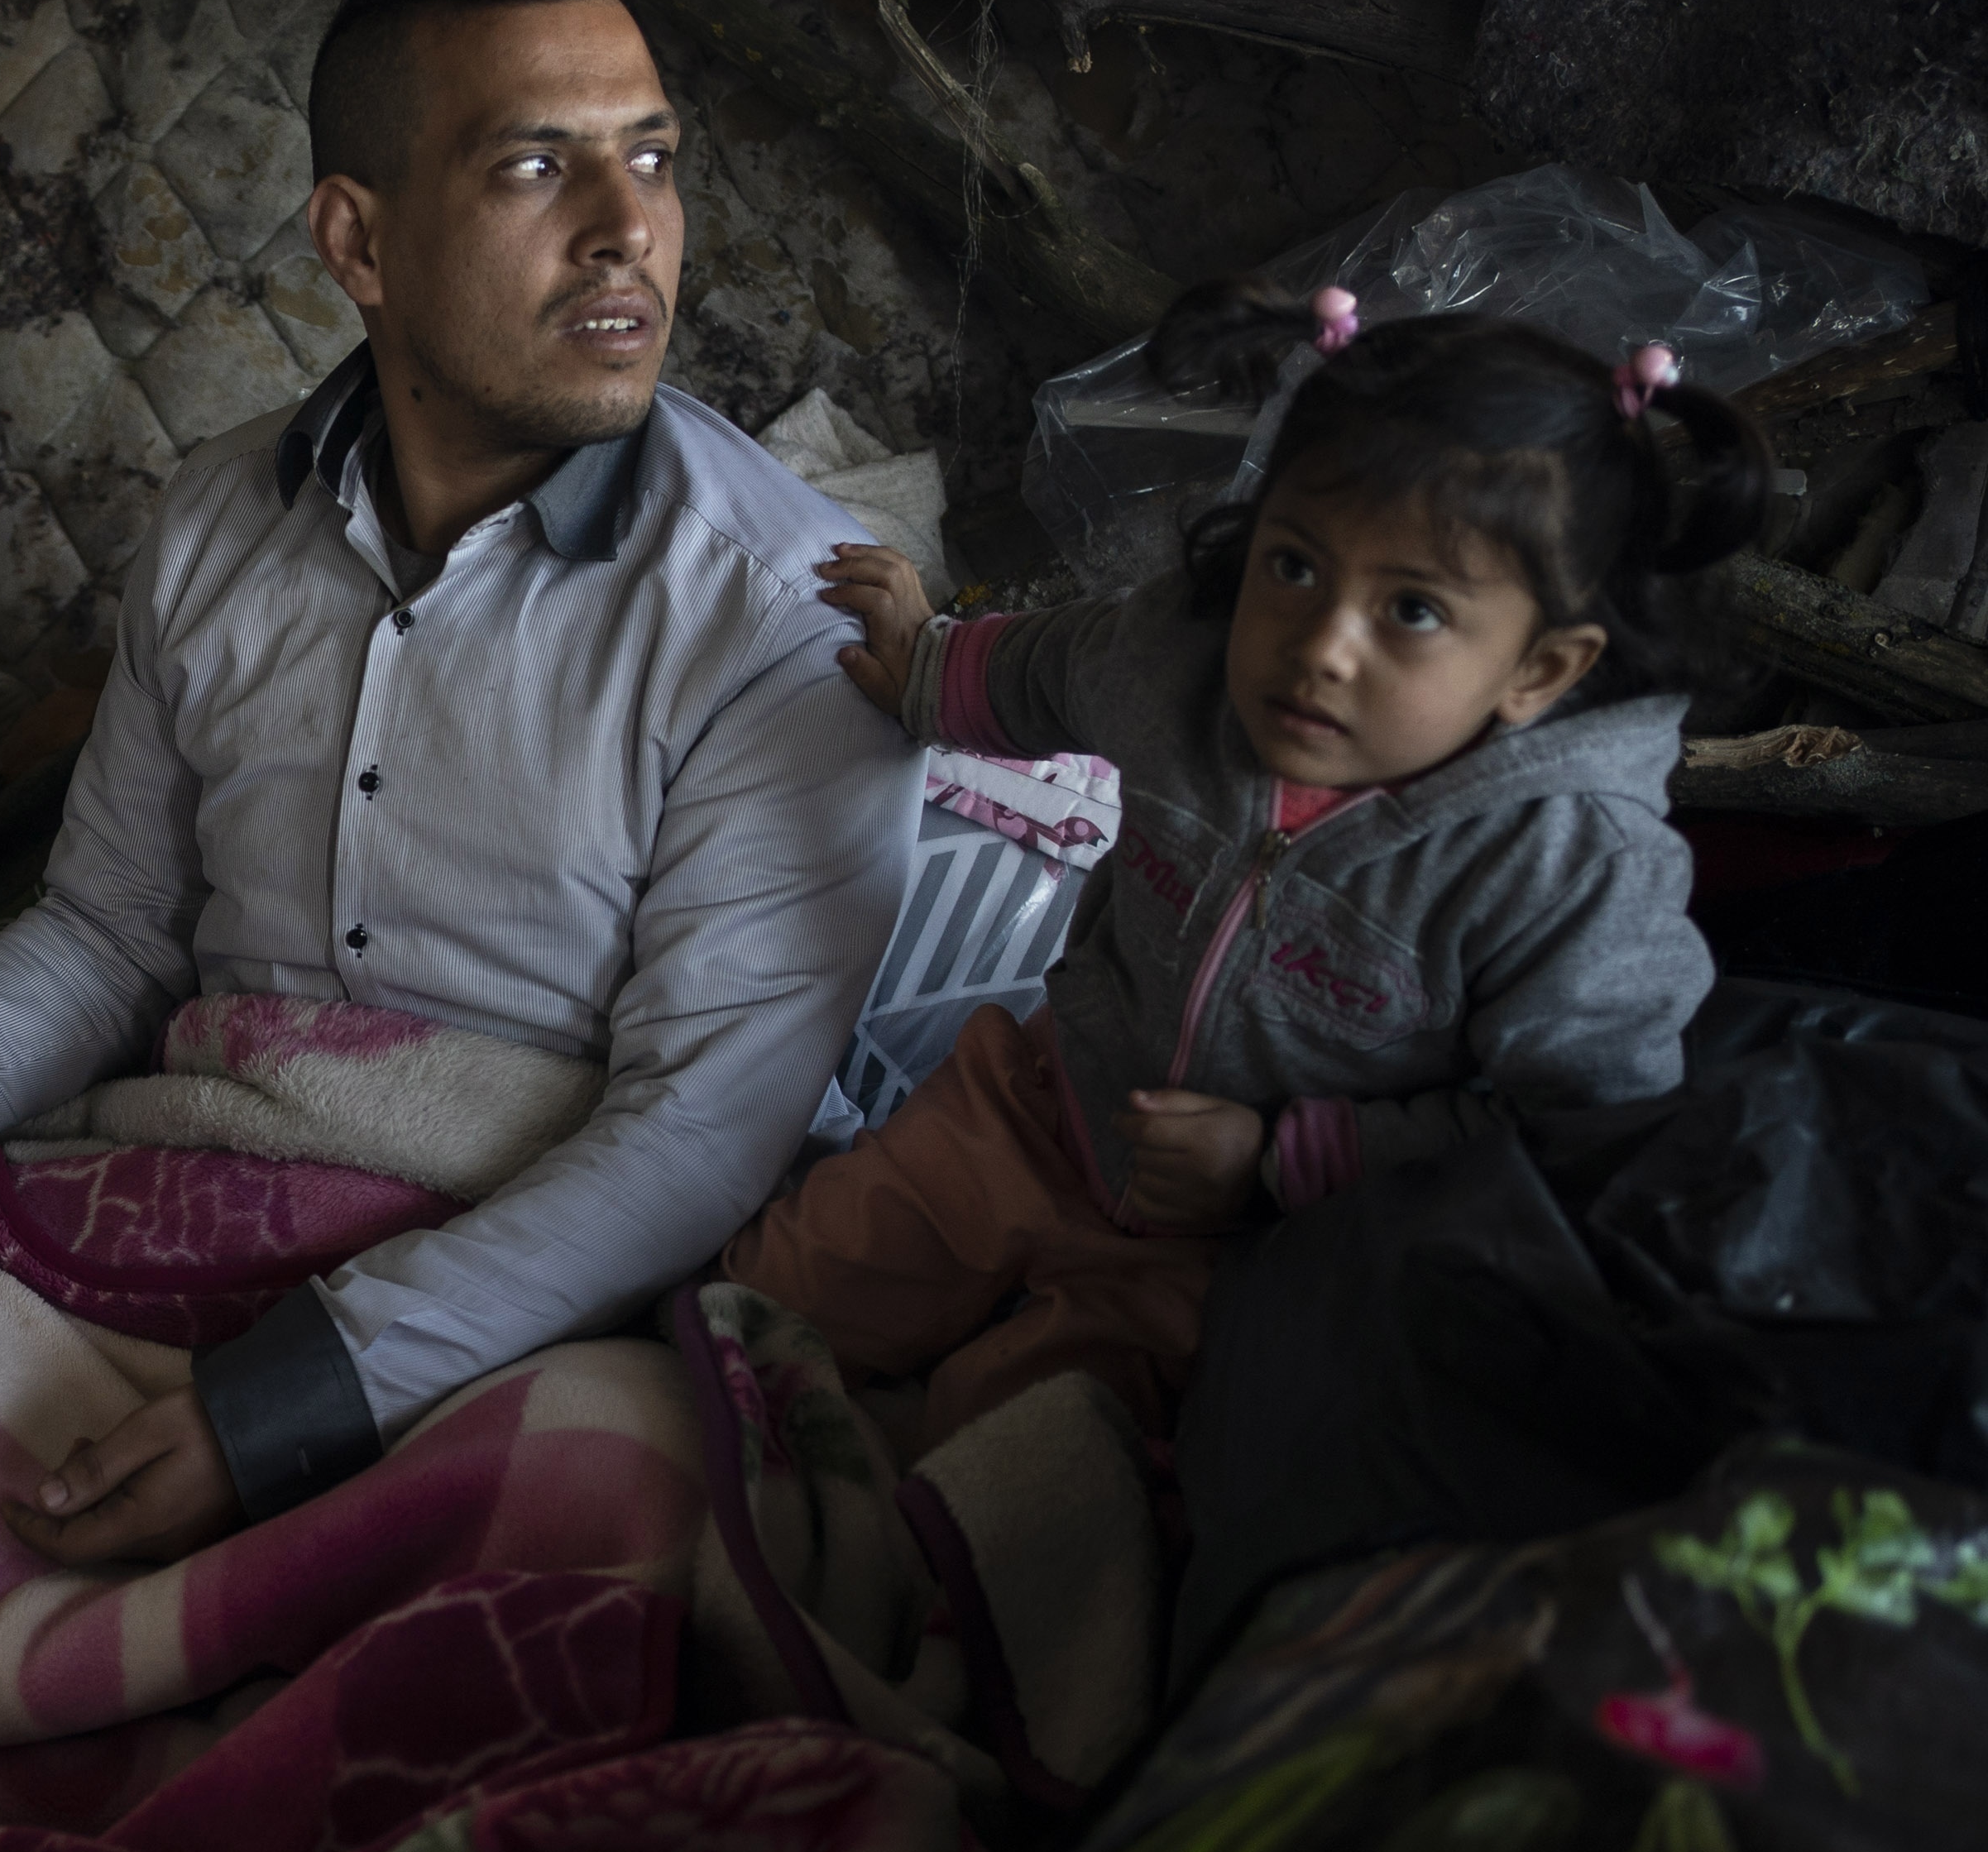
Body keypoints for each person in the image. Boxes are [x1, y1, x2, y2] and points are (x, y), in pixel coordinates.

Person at [0, 0, 923, 1559]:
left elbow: (698, 1133)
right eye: (539, 166)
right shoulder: (221, 522)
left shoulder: (794, 613)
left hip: (509, 1283)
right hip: (177, 1189)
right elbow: (106, 944)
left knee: (597, 1511)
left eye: (651, 158)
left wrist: (284, 1404)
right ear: (358, 241)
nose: (629, 230)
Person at [724, 285, 1755, 1443]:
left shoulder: (1571, 865)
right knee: (754, 1316)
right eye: (1296, 567)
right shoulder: (1183, 657)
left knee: (1022, 1457)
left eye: (1413, 611)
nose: (1321, 647)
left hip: (1250, 1247)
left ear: (1540, 670)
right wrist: (927, 670)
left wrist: (1285, 1161)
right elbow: (1058, 669)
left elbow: (1582, 1133)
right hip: (1036, 1105)